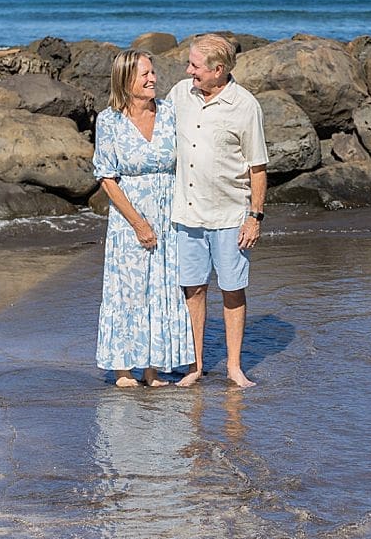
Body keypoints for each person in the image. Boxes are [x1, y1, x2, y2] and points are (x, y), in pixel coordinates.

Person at [170, 34, 268, 388]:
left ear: (218, 70)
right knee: (193, 290)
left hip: (230, 217)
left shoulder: (245, 106)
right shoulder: (180, 94)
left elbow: (258, 168)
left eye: (195, 66)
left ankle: (234, 367)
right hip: (186, 215)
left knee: (232, 290)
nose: (188, 71)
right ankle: (195, 365)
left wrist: (254, 217)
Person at [92, 50, 195, 387]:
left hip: (169, 216)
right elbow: (107, 178)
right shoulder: (109, 121)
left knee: (162, 290)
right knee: (129, 291)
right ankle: (123, 369)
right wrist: (138, 223)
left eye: (153, 73)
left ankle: (152, 368)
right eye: (145, 75)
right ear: (126, 80)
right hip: (128, 220)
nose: (153, 79)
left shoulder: (168, 113)